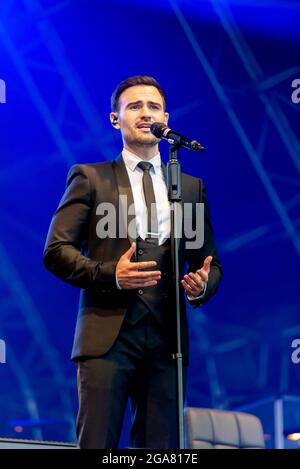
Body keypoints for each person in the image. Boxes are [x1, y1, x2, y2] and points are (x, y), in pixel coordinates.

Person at [43, 75, 222, 449]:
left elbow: (209, 261)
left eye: (153, 106)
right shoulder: (91, 178)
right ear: (115, 119)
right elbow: (57, 251)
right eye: (134, 106)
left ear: (166, 118)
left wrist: (202, 284)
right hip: (107, 335)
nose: (145, 113)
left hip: (167, 336)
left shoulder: (190, 187)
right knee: (98, 443)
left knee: (163, 447)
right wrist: (112, 274)